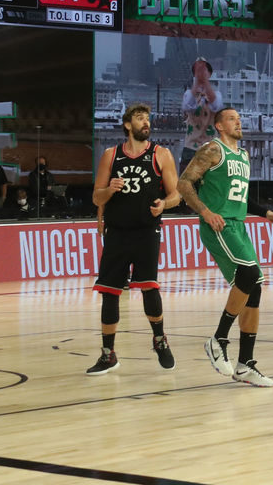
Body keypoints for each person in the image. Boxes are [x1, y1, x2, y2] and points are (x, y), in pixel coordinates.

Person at [177, 107, 273, 387]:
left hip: (239, 225)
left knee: (255, 287)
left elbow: (242, 197)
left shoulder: (243, 155)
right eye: (232, 118)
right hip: (219, 224)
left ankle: (245, 365)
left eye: (239, 118)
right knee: (248, 276)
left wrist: (267, 214)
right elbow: (184, 183)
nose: (238, 121)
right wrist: (205, 212)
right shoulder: (212, 150)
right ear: (219, 126)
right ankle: (218, 340)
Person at [85, 104, 181, 375]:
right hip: (117, 232)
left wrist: (164, 203)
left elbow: (177, 195)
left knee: (149, 287)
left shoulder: (161, 154)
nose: (146, 122)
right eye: (140, 118)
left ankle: (160, 340)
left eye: (147, 118)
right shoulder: (110, 155)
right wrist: (109, 190)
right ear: (128, 125)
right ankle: (108, 354)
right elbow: (96, 197)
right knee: (109, 291)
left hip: (146, 231)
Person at [181, 57, 224, 173]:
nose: (200, 73)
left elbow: (217, 106)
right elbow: (187, 106)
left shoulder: (217, 95)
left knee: (211, 186)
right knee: (187, 186)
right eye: (198, 70)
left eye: (204, 70)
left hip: (210, 148)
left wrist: (205, 83)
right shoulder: (189, 94)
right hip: (190, 148)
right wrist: (198, 84)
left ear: (209, 74)